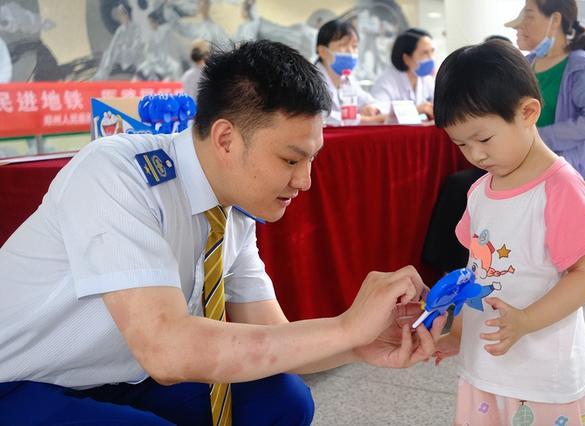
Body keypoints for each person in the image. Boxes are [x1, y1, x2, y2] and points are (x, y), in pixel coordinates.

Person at [0, 40, 445, 425]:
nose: (305, 181)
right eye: (291, 160)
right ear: (227, 139)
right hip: (25, 381)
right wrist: (346, 327)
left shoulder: (231, 212)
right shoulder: (117, 175)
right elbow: (168, 352)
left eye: (311, 159)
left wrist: (360, 343)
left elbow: (274, 335)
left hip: (126, 375)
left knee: (282, 401)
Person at [431, 40, 585, 424]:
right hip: (485, 368)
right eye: (461, 144)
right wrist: (458, 333)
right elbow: (473, 274)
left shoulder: (559, 187)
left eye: (484, 139)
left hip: (543, 376)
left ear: (527, 112)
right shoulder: (479, 192)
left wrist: (526, 320)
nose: (475, 154)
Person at [506, 0, 585, 226]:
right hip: (533, 170)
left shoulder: (582, 67)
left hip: (572, 173)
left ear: (555, 20)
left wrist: (540, 136)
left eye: (529, 15)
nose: (522, 24)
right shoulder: (527, 64)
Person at [315, 19, 385, 124]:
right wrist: (363, 120)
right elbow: (321, 116)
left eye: (354, 46)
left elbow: (373, 101)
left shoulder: (347, 79)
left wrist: (372, 108)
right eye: (343, 45)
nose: (350, 52)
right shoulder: (311, 81)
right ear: (323, 51)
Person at [371, 28, 436, 118]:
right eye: (424, 53)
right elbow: (377, 116)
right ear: (406, 58)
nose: (431, 58)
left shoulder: (426, 79)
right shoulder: (386, 82)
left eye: (432, 51)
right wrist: (417, 110)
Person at [93, 2, 143, 80]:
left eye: (121, 14)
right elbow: (113, 45)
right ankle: (101, 75)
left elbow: (136, 45)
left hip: (132, 55)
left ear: (127, 14)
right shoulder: (120, 30)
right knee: (107, 53)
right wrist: (112, 51)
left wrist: (124, 46)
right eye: (118, 15)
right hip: (121, 54)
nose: (120, 17)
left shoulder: (136, 27)